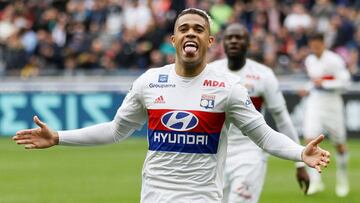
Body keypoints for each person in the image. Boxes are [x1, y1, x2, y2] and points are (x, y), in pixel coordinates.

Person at [13, 8, 330, 203]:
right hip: (154, 195)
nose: (190, 32)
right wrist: (59, 137)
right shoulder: (149, 82)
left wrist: (299, 153)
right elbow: (114, 131)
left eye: (198, 29)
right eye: (184, 28)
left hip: (203, 198)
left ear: (208, 42)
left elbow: (263, 135)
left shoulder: (228, 88)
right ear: (174, 39)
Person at [209, 23, 309, 203]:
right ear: (222, 43)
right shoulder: (211, 72)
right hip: (217, 152)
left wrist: (299, 162)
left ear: (249, 44)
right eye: (229, 38)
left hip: (251, 152)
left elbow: (282, 119)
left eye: (239, 38)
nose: (233, 41)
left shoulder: (263, 75)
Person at [301, 32, 350, 197]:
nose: (314, 48)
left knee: (340, 144)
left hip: (333, 103)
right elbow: (313, 82)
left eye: (317, 44)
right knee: (310, 139)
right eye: (312, 45)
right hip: (315, 102)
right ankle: (316, 181)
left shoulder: (334, 60)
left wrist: (326, 83)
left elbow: (345, 81)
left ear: (323, 44)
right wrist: (307, 88)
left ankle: (342, 178)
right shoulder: (309, 60)